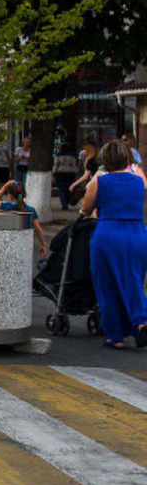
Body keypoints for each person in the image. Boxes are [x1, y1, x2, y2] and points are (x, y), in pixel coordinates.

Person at [79, 141, 147, 349]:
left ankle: (116, 335)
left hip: (108, 232)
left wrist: (83, 213)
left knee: (107, 283)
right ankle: (139, 322)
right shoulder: (138, 181)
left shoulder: (99, 181)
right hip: (137, 233)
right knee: (133, 278)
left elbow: (86, 208)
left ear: (104, 159)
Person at [0, 180, 48, 258]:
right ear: (24, 195)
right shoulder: (30, 210)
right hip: (25, 246)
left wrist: (5, 186)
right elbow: (38, 229)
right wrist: (43, 245)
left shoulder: (7, 207)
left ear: (10, 195)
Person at [53, 141, 80, 211]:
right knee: (68, 188)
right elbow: (74, 166)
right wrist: (75, 174)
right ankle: (67, 201)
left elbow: (56, 166)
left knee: (61, 189)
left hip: (60, 173)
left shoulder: (58, 157)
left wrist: (53, 173)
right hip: (70, 174)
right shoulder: (72, 157)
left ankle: (64, 204)